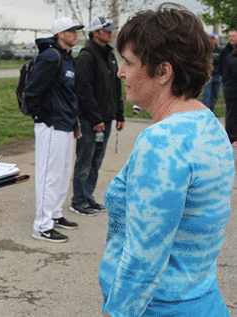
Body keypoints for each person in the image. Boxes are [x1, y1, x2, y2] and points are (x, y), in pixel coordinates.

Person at [100, 4, 235, 316]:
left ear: (163, 71)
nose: (121, 72)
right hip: (202, 298)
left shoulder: (163, 142)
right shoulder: (209, 124)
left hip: (159, 307)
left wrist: (116, 312)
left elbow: (144, 254)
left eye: (129, 63)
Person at [24, 17, 83, 243]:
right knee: (49, 175)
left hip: (66, 124)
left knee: (62, 173)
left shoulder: (68, 58)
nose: (75, 34)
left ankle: (55, 214)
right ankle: (41, 226)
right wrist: (43, 117)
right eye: (71, 31)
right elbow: (32, 92)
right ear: (60, 34)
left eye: (76, 31)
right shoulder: (51, 56)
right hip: (51, 124)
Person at [70, 16, 125, 217]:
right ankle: (78, 201)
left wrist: (120, 114)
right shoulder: (87, 56)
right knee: (85, 160)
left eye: (111, 29)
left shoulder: (110, 55)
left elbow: (115, 88)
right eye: (106, 30)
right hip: (90, 121)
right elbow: (83, 90)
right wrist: (95, 119)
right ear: (96, 33)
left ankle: (88, 197)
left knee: (96, 161)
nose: (110, 33)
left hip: (107, 119)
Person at [219, 28, 237, 144]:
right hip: (231, 87)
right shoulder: (226, 53)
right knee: (231, 114)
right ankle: (231, 137)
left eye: (234, 36)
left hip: (231, 86)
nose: (231, 38)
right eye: (230, 36)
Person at [201, 32, 222, 113]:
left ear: (216, 39)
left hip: (217, 75)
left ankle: (212, 111)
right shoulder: (205, 50)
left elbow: (221, 61)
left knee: (215, 94)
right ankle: (205, 111)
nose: (212, 40)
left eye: (213, 38)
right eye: (210, 38)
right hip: (209, 75)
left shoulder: (219, 50)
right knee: (207, 94)